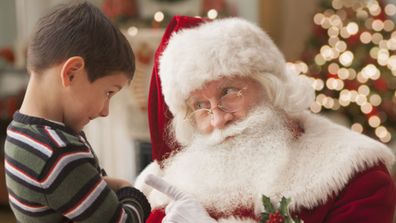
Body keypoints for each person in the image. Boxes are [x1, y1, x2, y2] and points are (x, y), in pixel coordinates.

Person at [135, 16, 396, 223]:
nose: (217, 119)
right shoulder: (166, 182)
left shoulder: (354, 174)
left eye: (228, 92)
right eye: (200, 106)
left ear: (271, 87)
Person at [4, 1, 151, 222]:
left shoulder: (21, 133)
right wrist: (130, 190)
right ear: (72, 73)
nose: (105, 111)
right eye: (108, 92)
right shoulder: (57, 152)